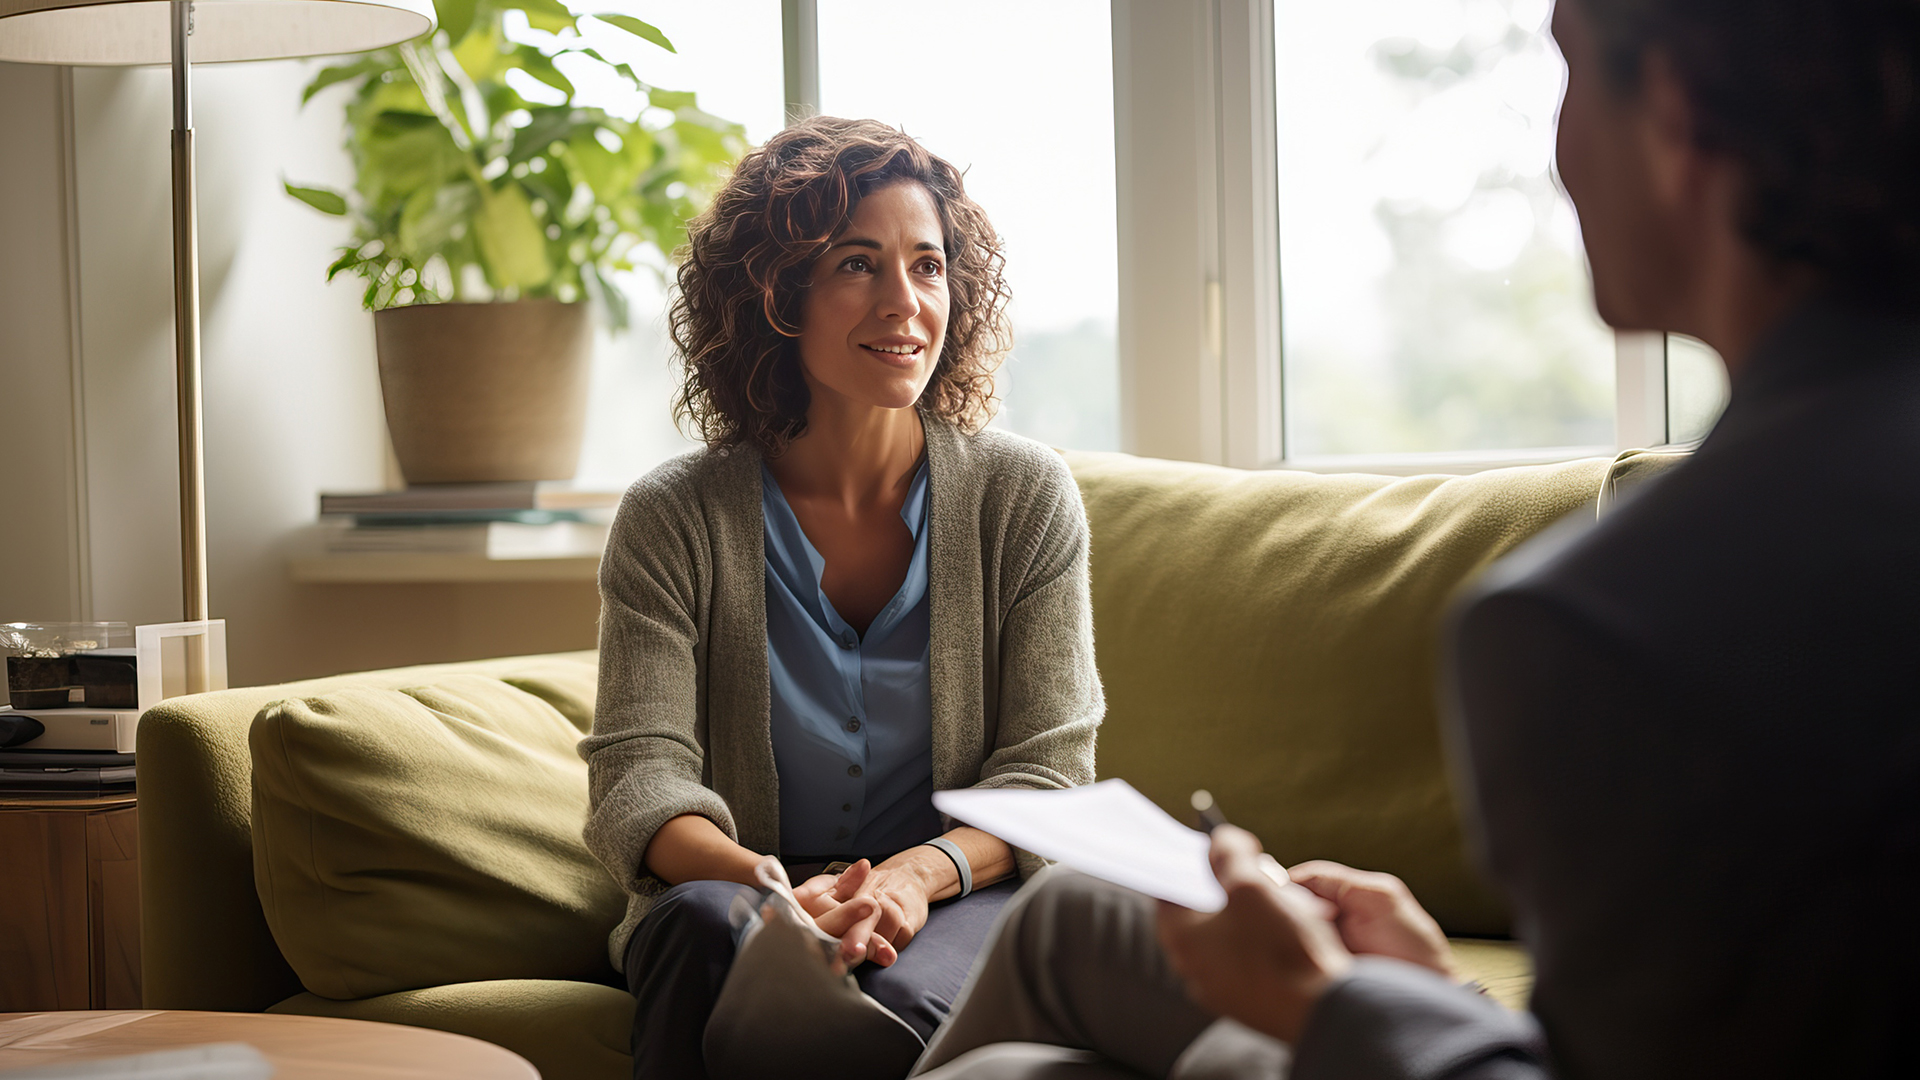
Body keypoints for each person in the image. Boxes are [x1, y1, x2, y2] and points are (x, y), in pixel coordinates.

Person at [908, 0, 1920, 1076]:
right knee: (1071, 923)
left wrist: (1322, 1003)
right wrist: (1431, 991)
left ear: (1676, 117)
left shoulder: (1607, 627)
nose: (1558, 152)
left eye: (1568, 75)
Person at [579, 116, 1102, 1080]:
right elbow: (638, 780)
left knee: (897, 997)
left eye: (929, 266)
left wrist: (912, 876)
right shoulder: (672, 514)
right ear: (777, 297)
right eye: (858, 265)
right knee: (701, 934)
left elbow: (1047, 781)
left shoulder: (1023, 497)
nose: (906, 303)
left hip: (957, 896)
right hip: (734, 890)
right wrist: (770, 887)